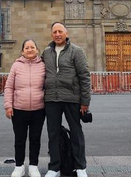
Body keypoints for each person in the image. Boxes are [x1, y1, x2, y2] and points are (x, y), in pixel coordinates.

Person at [42, 22, 91, 177]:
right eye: (55, 32)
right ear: (51, 34)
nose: (57, 34)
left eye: (60, 31)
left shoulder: (77, 51)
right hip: (51, 98)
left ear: (66, 33)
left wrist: (85, 102)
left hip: (72, 98)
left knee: (76, 132)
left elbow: (84, 76)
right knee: (53, 133)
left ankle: (80, 166)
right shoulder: (46, 52)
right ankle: (54, 167)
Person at [4, 39, 46, 177]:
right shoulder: (16, 66)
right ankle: (19, 166)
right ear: (22, 51)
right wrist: (8, 106)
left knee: (35, 139)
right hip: (19, 109)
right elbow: (9, 87)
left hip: (38, 109)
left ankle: (33, 166)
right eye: (27, 48)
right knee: (19, 139)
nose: (30, 50)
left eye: (32, 47)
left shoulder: (43, 65)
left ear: (37, 50)